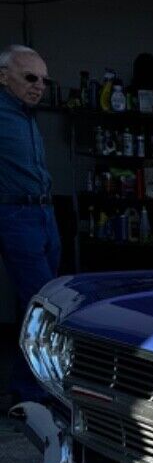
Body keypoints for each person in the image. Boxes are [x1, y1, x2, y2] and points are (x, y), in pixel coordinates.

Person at [0, 44, 60, 404]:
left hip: (44, 216)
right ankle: (31, 390)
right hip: (16, 216)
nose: (38, 85)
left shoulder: (26, 116)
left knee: (38, 305)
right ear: (3, 76)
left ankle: (27, 388)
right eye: (30, 78)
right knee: (43, 304)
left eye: (43, 80)